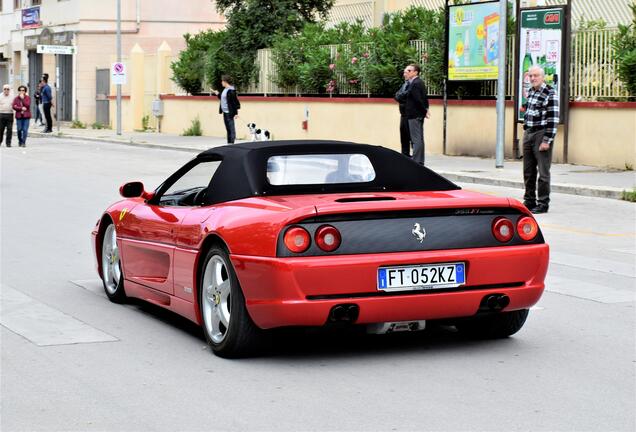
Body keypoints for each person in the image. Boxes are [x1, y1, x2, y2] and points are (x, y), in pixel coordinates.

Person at [522, 65, 559, 214]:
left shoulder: (550, 92)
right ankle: (529, 200)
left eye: (536, 75)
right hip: (528, 133)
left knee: (543, 173)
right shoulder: (531, 92)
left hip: (541, 134)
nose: (532, 78)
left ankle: (543, 203)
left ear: (542, 77)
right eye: (530, 76)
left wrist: (547, 140)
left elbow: (553, 118)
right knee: (528, 171)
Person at [394, 63, 429, 165]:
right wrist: (425, 110)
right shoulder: (414, 83)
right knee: (418, 138)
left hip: (414, 114)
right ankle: (419, 160)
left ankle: (417, 160)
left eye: (409, 71)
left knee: (416, 139)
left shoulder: (416, 83)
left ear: (415, 72)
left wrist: (424, 111)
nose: (406, 73)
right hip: (413, 114)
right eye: (405, 71)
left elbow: (419, 99)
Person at [212, 75, 240, 144]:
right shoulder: (225, 90)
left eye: (222, 81)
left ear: (225, 82)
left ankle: (231, 144)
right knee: (228, 129)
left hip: (229, 113)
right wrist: (217, 94)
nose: (221, 82)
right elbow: (223, 99)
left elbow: (234, 102)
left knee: (231, 129)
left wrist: (236, 113)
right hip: (225, 112)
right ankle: (229, 143)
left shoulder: (231, 90)